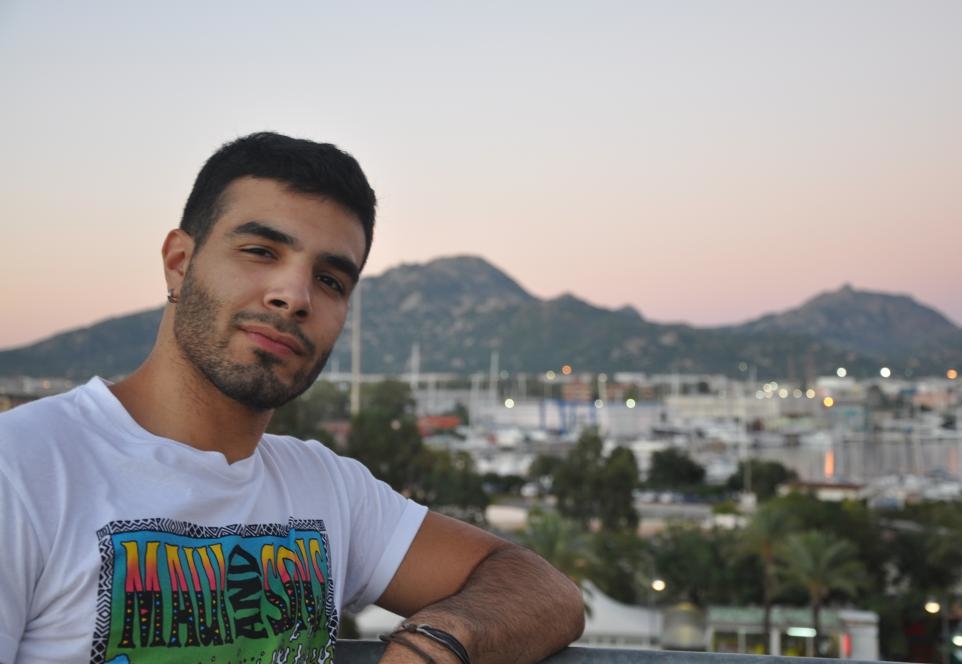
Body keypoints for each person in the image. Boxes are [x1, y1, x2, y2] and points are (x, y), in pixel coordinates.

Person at [0, 132, 584, 664]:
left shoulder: (328, 490)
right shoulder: (24, 470)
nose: (295, 295)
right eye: (261, 251)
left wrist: (439, 643)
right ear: (180, 264)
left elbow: (544, 590)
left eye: (330, 280)